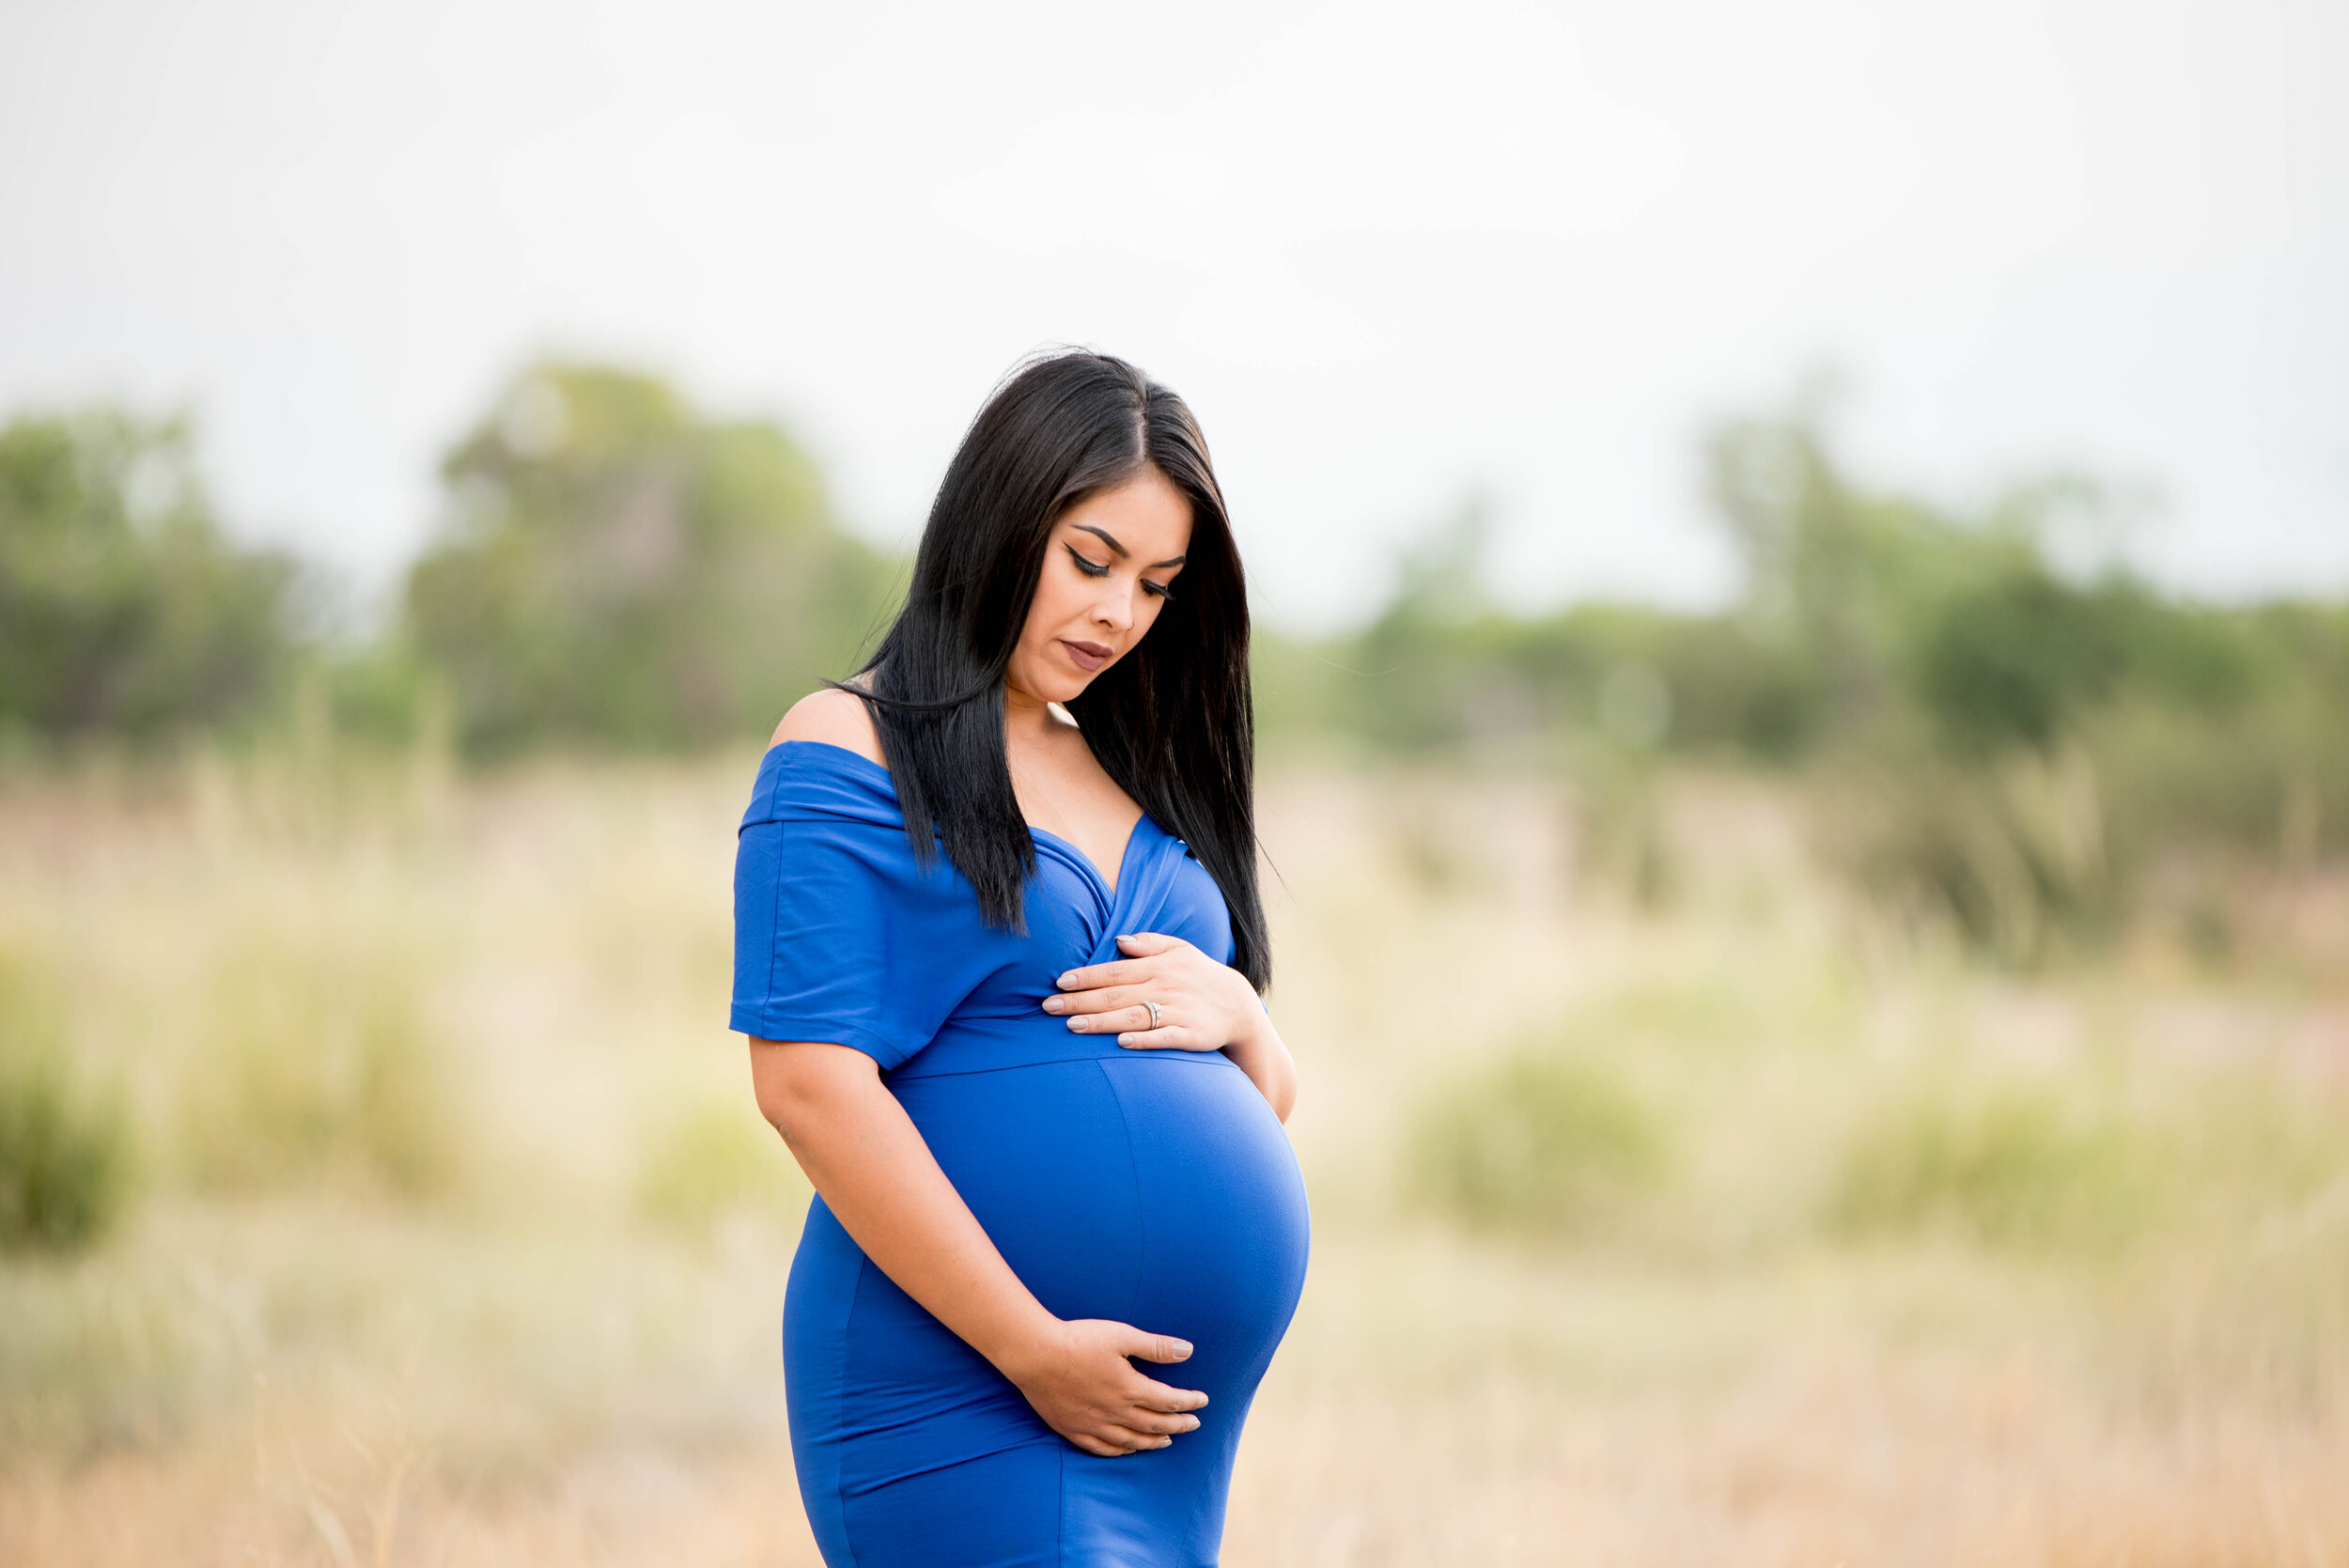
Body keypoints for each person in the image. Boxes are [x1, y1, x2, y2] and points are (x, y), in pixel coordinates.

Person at [731, 350, 1310, 1567]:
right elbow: (805, 1086)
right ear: (999, 519)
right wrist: (1029, 1345)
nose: (1118, 612)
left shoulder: (1123, 761)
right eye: (1090, 560)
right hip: (965, 1375)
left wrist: (1249, 1020)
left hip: (1158, 1423)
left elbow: (1244, 1105)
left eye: (1155, 584)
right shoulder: (848, 744)